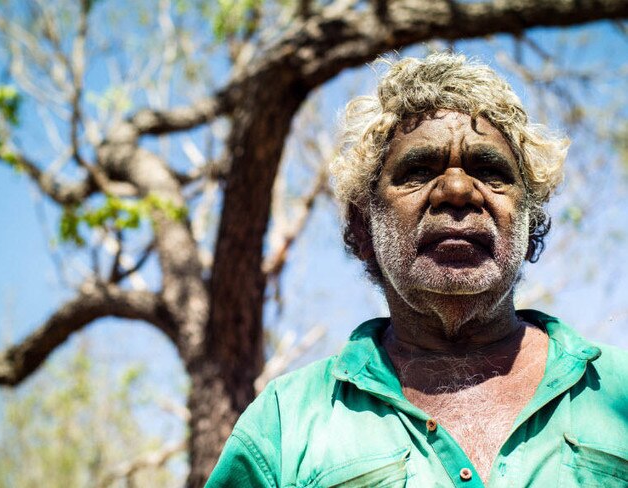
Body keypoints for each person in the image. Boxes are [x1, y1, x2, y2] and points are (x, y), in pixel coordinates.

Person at [206, 53, 628, 487]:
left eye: (490, 171)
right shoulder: (284, 422)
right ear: (361, 225)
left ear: (531, 221)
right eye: (418, 171)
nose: (458, 191)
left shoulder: (620, 393)